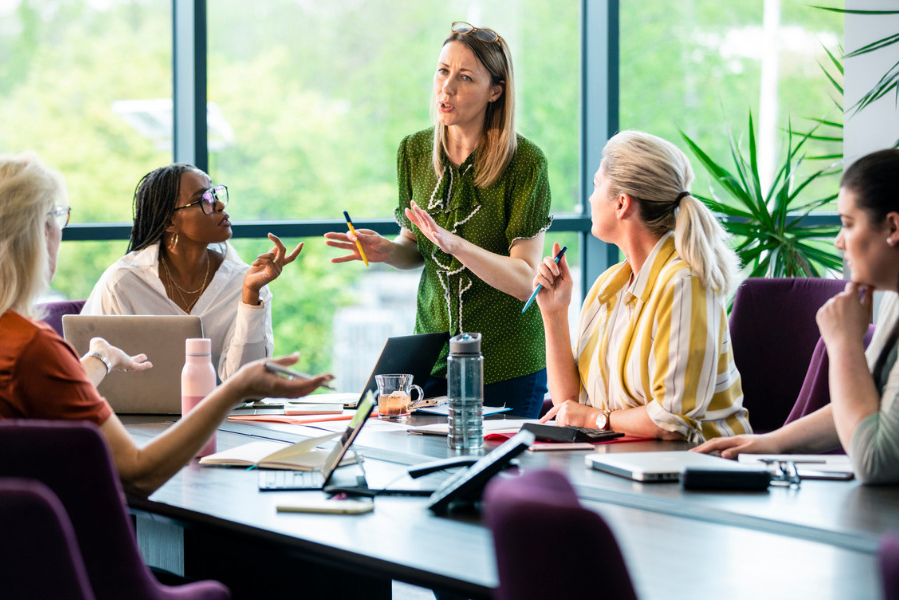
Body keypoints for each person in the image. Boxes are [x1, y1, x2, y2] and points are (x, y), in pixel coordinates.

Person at [0, 153, 332, 497]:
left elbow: (42, 402)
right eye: (56, 217)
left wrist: (98, 358)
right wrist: (238, 387)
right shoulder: (30, 350)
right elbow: (137, 474)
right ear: (34, 236)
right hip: (67, 560)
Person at [324, 22, 552, 417]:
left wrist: (456, 244)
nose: (446, 88)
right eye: (443, 70)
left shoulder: (526, 164)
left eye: (465, 78)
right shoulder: (413, 152)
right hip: (434, 359)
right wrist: (388, 251)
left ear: (495, 91)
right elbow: (414, 248)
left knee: (498, 477)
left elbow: (525, 281)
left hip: (506, 363)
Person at [695, 148, 899, 484]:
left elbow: (875, 461)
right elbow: (864, 408)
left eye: (848, 224)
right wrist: (769, 442)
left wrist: (845, 343)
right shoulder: (893, 299)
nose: (839, 242)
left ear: (892, 227)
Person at [534, 130, 751, 442]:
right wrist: (555, 313)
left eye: (596, 185)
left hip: (697, 470)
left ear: (622, 203)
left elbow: (671, 421)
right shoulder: (609, 285)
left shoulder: (684, 285)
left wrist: (598, 419)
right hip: (623, 460)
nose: (591, 197)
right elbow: (569, 401)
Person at [83, 163, 301, 381]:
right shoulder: (122, 282)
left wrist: (250, 295)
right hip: (137, 416)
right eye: (204, 199)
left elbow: (247, 383)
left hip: (226, 415)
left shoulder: (245, 280)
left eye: (216, 194)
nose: (220, 204)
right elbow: (92, 377)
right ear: (169, 221)